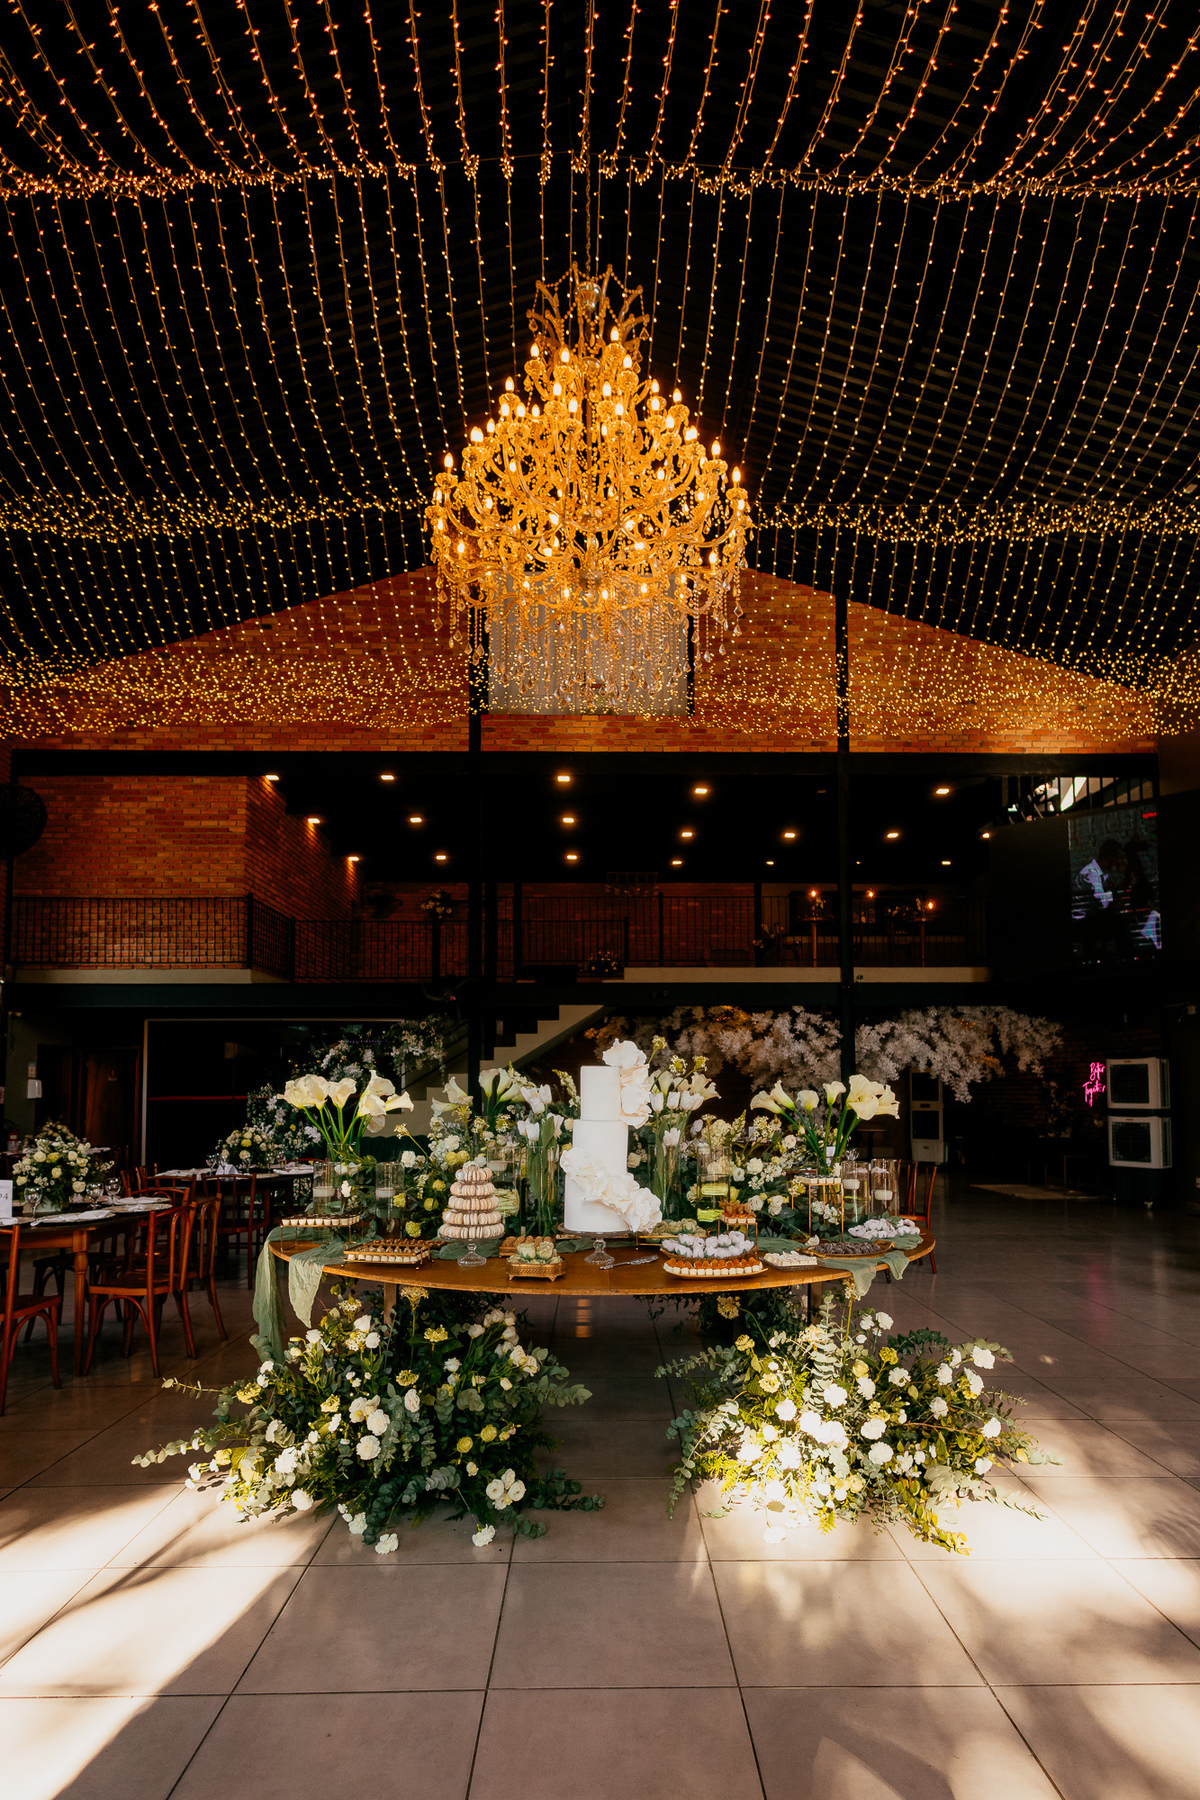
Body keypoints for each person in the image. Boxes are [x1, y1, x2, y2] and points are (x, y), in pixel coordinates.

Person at [1071, 838, 1124, 920]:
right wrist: (1113, 891)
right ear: (1110, 858)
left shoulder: (1103, 873)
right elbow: (1101, 903)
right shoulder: (1091, 874)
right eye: (1117, 859)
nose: (1118, 862)